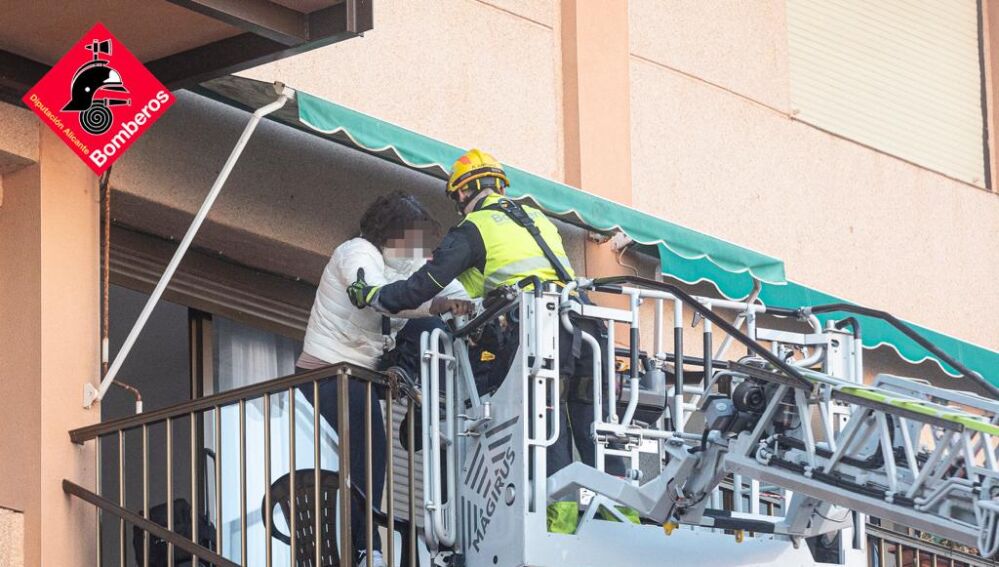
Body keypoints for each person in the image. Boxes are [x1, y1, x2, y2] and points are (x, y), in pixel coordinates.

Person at [346, 149, 615, 533]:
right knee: (595, 430)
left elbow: (424, 286)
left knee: (546, 430)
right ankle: (621, 523)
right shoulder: (537, 219)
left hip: (540, 330)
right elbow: (471, 287)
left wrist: (374, 295)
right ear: (499, 185)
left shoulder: (474, 228)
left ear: (462, 192)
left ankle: (555, 533)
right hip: (585, 324)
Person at [297, 190, 471, 567]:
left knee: (434, 329)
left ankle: (422, 396)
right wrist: (437, 303)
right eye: (411, 237)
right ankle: (364, 548)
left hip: (367, 370)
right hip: (329, 369)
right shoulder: (355, 253)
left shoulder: (406, 259)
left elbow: (453, 292)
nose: (417, 247)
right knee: (370, 450)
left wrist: (477, 307)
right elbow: (376, 297)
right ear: (390, 233)